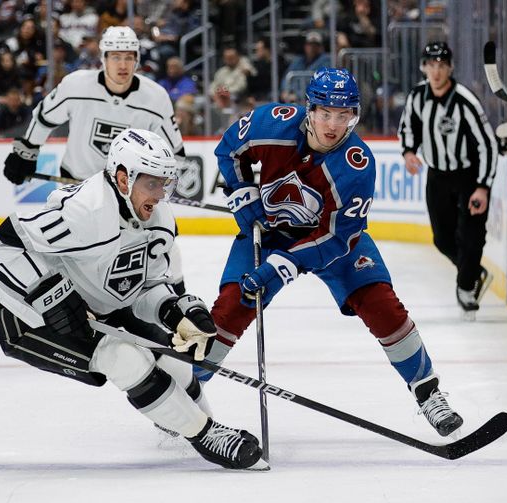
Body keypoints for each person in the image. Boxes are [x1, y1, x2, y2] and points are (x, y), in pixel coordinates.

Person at [193, 67, 464, 438]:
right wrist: (242, 195)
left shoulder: (357, 165)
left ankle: (428, 392)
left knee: (381, 303)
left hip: (333, 240)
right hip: (271, 232)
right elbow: (229, 148)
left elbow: (338, 238)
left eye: (343, 115)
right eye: (325, 113)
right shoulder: (271, 123)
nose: (333, 125)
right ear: (310, 110)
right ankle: (185, 392)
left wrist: (284, 265)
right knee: (231, 305)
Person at [0, 128, 264, 470]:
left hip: (92, 299)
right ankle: (203, 435)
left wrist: (175, 311)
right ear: (122, 178)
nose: (161, 194)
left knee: (173, 360)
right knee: (125, 359)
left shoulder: (157, 219)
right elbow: (6, 244)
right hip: (23, 311)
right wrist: (50, 294)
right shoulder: (85, 212)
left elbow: (140, 287)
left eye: (165, 183)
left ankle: (192, 422)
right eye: (152, 183)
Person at [3, 26, 187, 294]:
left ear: (137, 59)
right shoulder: (76, 85)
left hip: (129, 193)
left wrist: (167, 182)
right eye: (115, 56)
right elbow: (45, 116)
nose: (122, 64)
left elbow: (175, 151)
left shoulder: (155, 97)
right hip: (77, 189)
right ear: (103, 59)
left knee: (162, 247)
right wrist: (26, 152)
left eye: (129, 57)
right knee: (73, 255)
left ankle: (176, 305)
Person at [398, 42, 497, 315]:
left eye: (442, 65)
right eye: (431, 65)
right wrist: (408, 153)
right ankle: (474, 271)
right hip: (437, 177)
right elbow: (408, 128)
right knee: (442, 239)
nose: (437, 71)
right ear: (424, 68)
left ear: (450, 68)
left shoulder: (465, 100)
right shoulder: (417, 97)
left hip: (469, 177)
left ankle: (467, 288)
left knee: (471, 236)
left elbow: (487, 144)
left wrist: (483, 187)